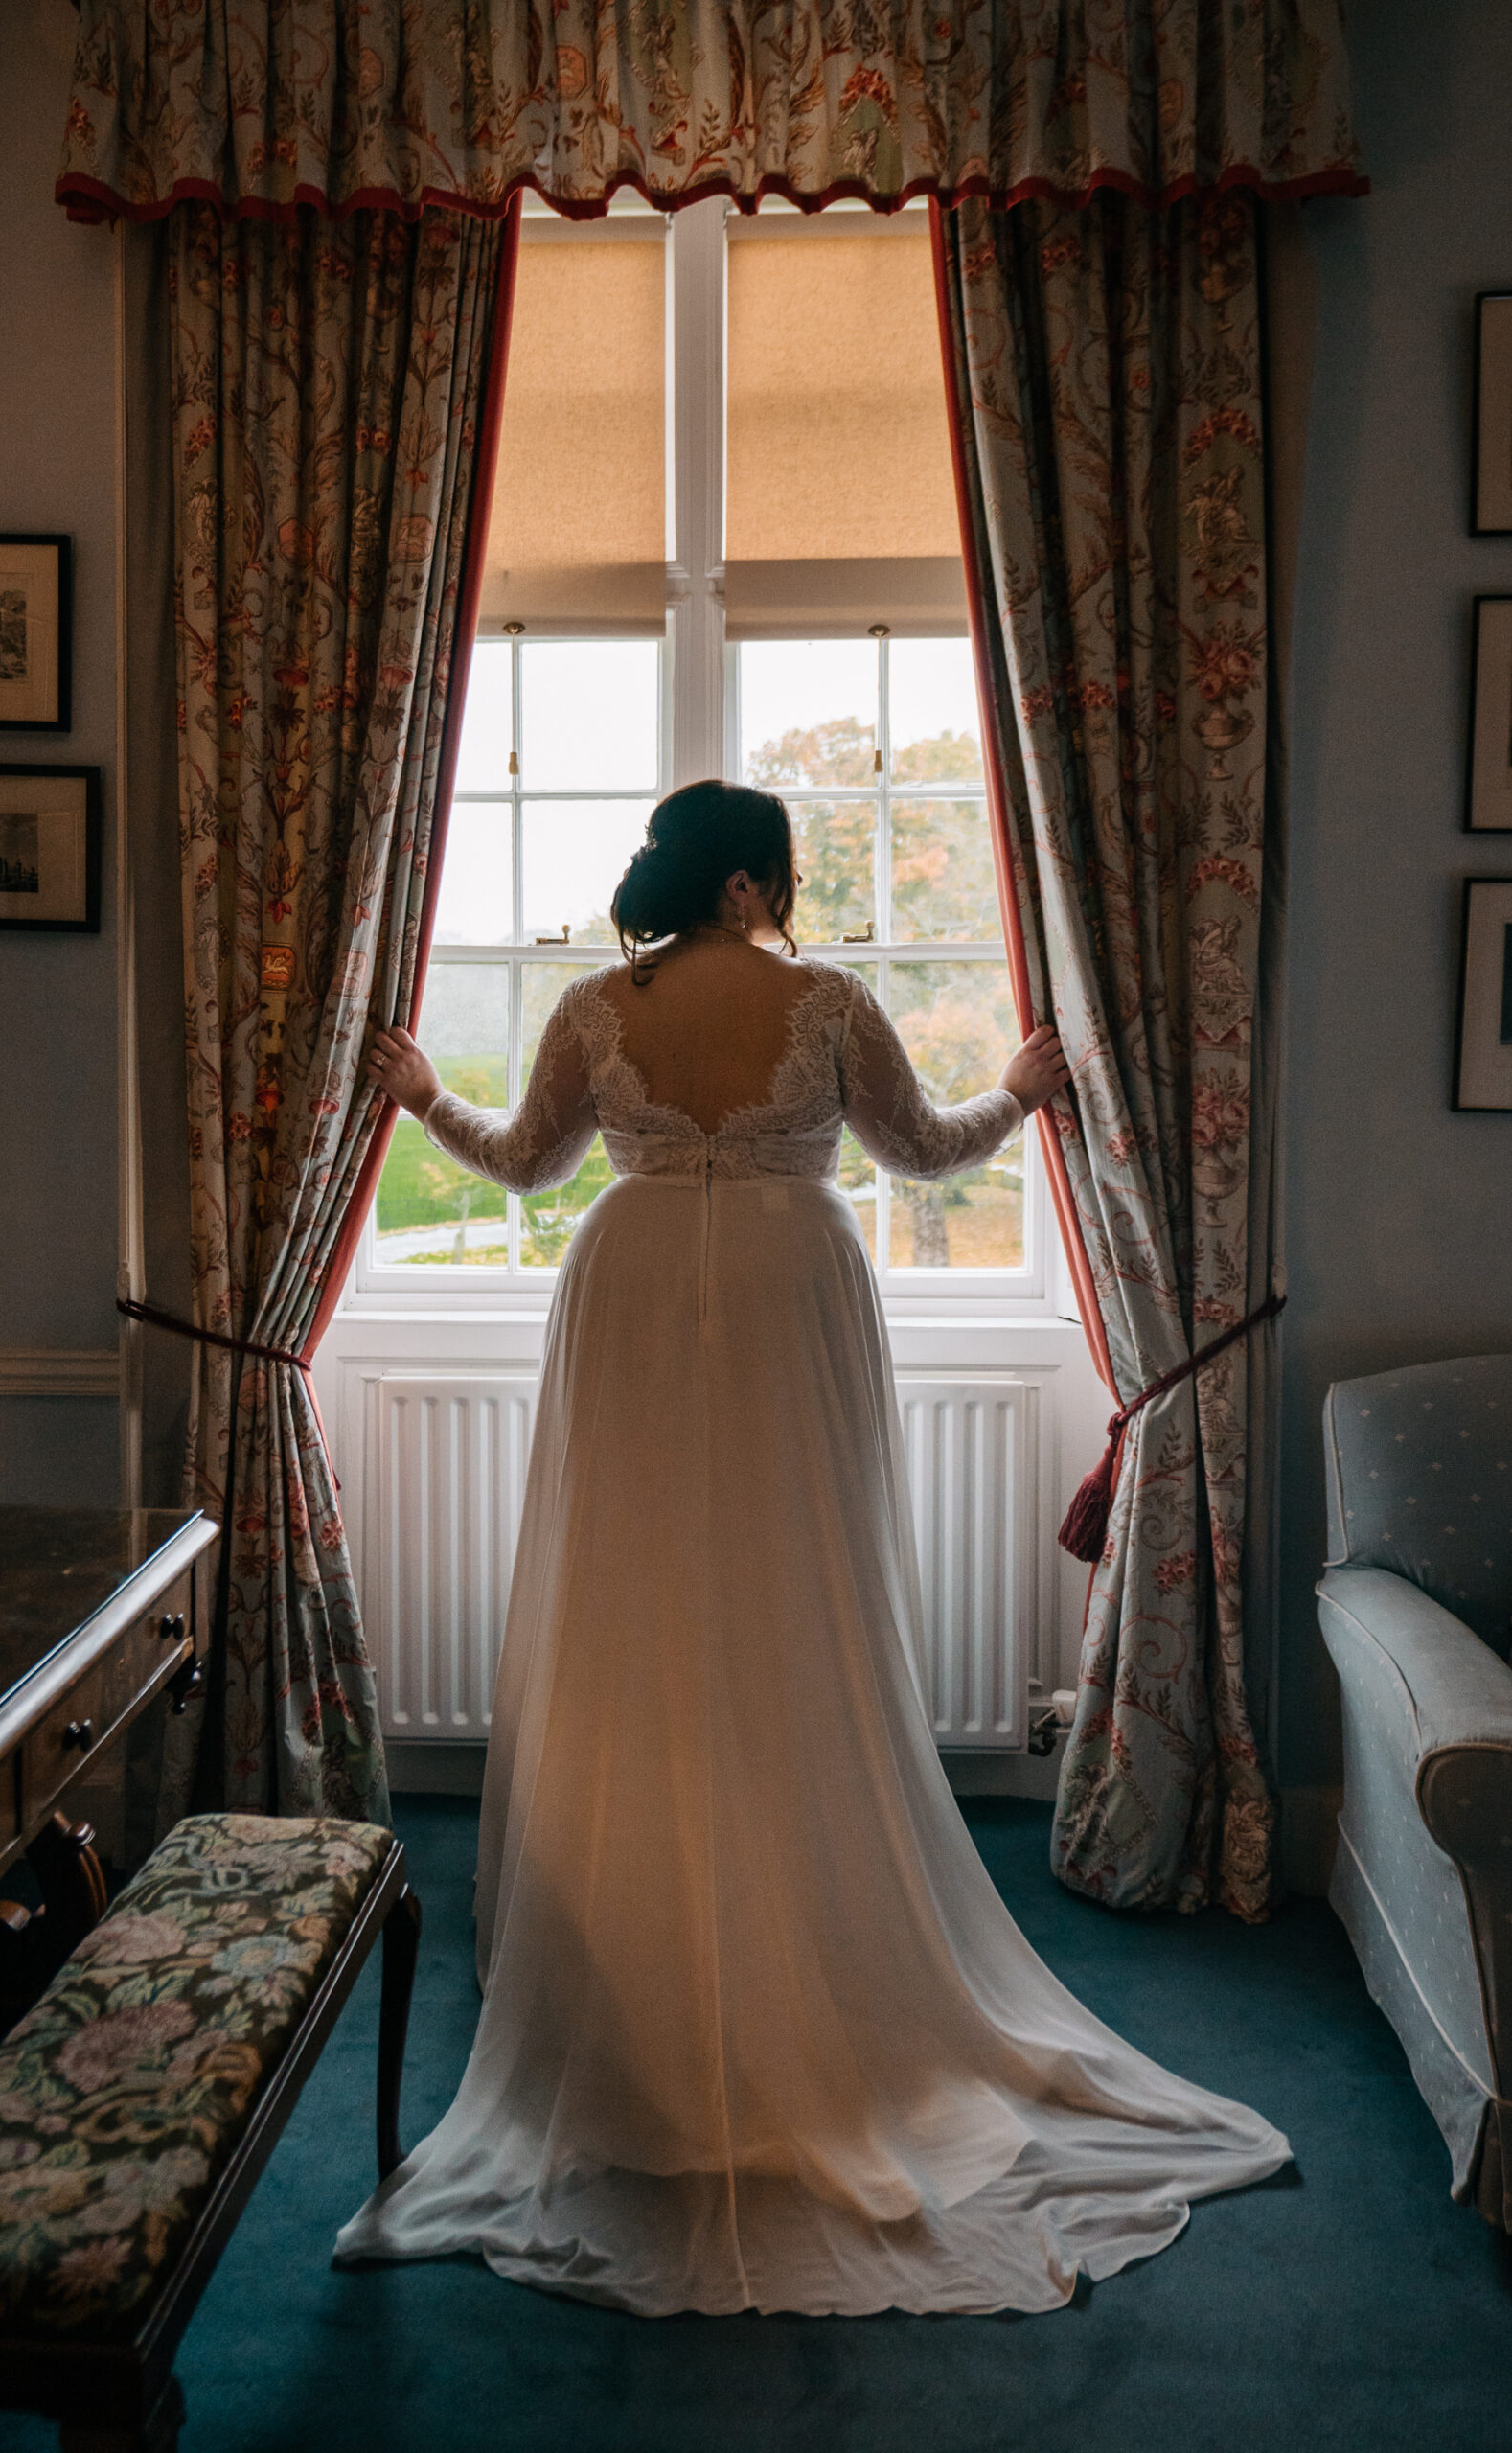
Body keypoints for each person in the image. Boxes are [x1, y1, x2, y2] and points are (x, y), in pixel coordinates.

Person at [336, 779, 1290, 2316]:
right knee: (798, 1608)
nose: (787, 892)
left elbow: (517, 1169)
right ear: (741, 888)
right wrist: (1027, 1091)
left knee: (631, 1609)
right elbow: (923, 1155)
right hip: (789, 1286)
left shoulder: (595, 1007)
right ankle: (798, 1911)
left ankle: (627, 1931)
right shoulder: (829, 1002)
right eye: (777, 871)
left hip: (635, 1282)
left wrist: (422, 1095)